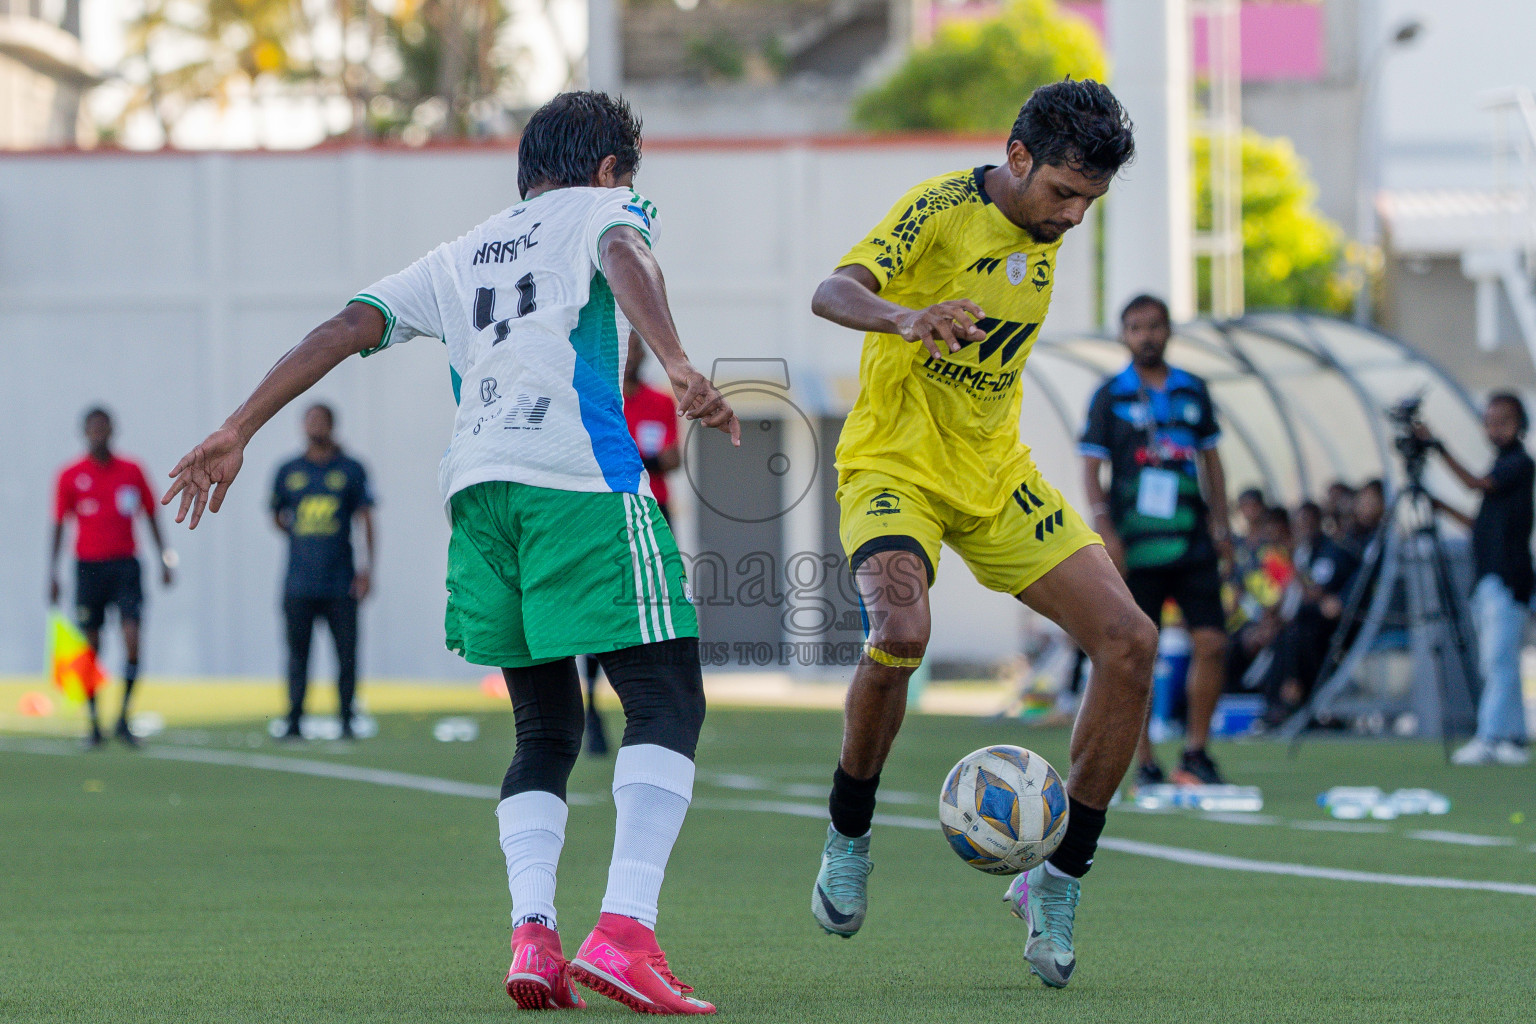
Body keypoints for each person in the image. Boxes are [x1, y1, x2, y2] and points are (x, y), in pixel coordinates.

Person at [162, 91, 739, 1015]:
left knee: (544, 730)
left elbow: (343, 329)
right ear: (606, 169)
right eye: (626, 174)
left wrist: (238, 426)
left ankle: (534, 936)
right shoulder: (604, 209)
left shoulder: (462, 250)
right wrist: (672, 360)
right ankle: (626, 930)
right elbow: (627, 253)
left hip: (477, 492)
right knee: (667, 695)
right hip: (574, 480)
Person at [808, 79, 1142, 988]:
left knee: (1129, 642)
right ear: (1018, 157)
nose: (1073, 218)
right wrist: (907, 316)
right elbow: (832, 292)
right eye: (1064, 194)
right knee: (901, 635)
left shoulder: (1044, 223)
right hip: (895, 468)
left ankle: (1057, 882)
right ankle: (848, 833)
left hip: (996, 477)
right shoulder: (940, 211)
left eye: (1090, 202)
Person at [1080, 294, 1232, 786]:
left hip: (1191, 538)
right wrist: (1105, 527)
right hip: (1134, 545)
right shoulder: (1110, 395)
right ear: (1124, 335)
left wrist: (1222, 524)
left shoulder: (1194, 389)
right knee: (1140, 650)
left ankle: (1196, 751)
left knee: (1210, 642)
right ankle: (1143, 759)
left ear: (1169, 331)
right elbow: (1091, 468)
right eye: (1136, 327)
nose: (1146, 335)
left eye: (1154, 326)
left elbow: (1211, 459)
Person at [49, 407, 176, 747]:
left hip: (125, 566)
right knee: (91, 645)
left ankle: (123, 717)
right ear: (84, 433)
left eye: (103, 428)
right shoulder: (70, 475)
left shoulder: (132, 471)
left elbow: (151, 515)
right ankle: (93, 723)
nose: (98, 435)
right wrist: (53, 573)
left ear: (113, 431)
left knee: (132, 637)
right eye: (93, 429)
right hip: (88, 567)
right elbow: (60, 524)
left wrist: (165, 558)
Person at [582, 336, 682, 756]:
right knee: (597, 607)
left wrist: (633, 460)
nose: (633, 356)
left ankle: (657, 704)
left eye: (638, 349)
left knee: (657, 604)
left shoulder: (659, 402)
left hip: (652, 512)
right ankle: (590, 707)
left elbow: (673, 459)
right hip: (606, 514)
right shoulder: (595, 399)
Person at [1420, 394, 1533, 766]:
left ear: (1520, 423)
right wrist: (1439, 505)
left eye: (1503, 421)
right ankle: (1513, 738)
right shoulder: (1500, 468)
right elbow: (1478, 525)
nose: (1494, 429)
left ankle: (1490, 736)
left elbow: (1476, 484)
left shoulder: (1517, 465)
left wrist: (1438, 448)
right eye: (1489, 421)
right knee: (1503, 664)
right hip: (1489, 579)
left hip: (1508, 579)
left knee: (1496, 662)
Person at [270, 403, 375, 740]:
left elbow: (366, 520)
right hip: (298, 581)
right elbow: (276, 514)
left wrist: (367, 570)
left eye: (321, 420)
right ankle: (294, 718)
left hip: (340, 580)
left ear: (332, 425)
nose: (315, 425)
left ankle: (346, 717)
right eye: (310, 420)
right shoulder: (288, 470)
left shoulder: (352, 468)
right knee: (297, 654)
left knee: (346, 653)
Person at [1260, 501, 1359, 726]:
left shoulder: (1330, 552)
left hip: (1330, 626)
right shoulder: (1304, 552)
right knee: (1282, 635)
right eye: (1297, 523)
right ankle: (1274, 704)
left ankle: (1293, 698)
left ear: (1317, 522)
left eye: (1305, 522)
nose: (1300, 528)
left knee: (1295, 635)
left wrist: (1293, 568)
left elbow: (1315, 595)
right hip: (1305, 621)